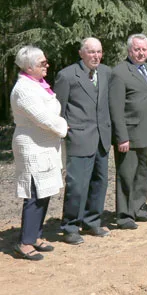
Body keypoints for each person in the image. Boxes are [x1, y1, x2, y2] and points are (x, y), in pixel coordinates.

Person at [10, 46, 68, 260]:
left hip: (46, 144)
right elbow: (42, 117)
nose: (47, 65)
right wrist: (63, 126)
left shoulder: (39, 85)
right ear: (29, 66)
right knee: (34, 193)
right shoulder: (23, 89)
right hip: (32, 147)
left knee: (45, 191)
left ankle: (35, 235)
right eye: (43, 63)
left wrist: (57, 126)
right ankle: (24, 242)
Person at [55, 38, 111, 245]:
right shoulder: (67, 75)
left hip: (102, 138)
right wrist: (64, 131)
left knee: (100, 182)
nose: (96, 56)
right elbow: (58, 109)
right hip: (79, 137)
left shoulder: (106, 72)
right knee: (77, 185)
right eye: (91, 52)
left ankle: (92, 221)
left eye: (99, 52)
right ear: (81, 53)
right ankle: (70, 226)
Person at [109, 34, 147, 229]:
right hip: (129, 135)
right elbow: (116, 108)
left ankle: (139, 209)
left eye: (144, 49)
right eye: (137, 49)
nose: (141, 53)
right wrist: (121, 137)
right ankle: (124, 215)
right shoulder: (120, 73)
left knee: (144, 174)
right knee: (126, 176)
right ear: (129, 50)